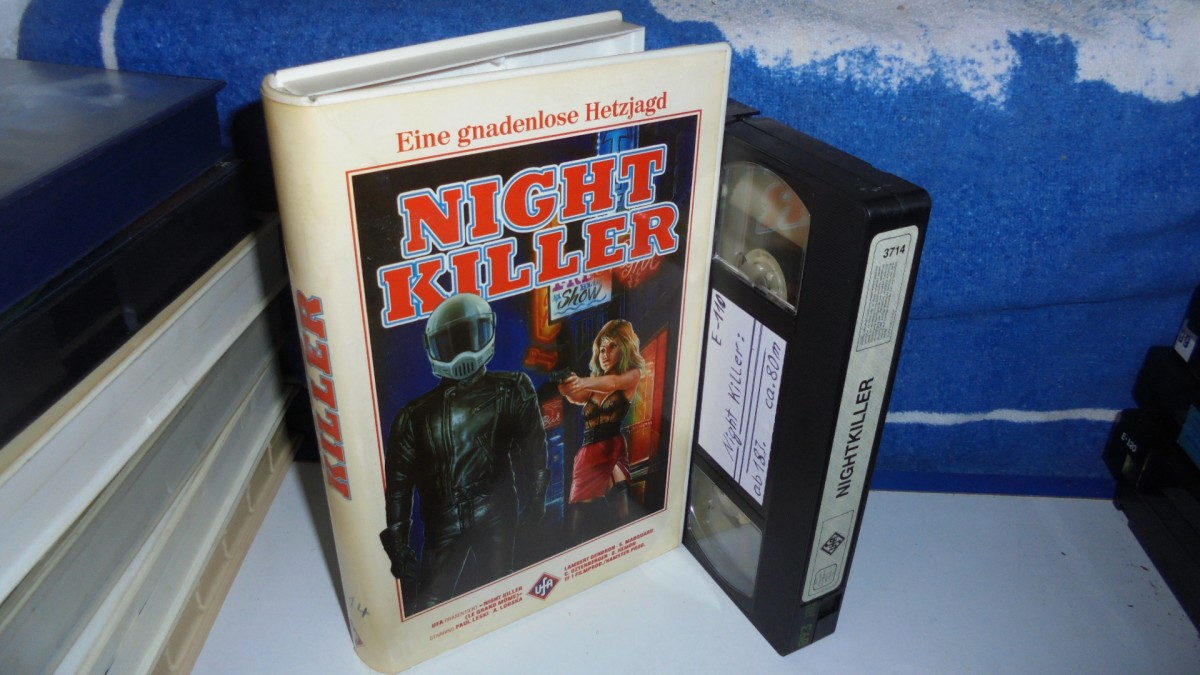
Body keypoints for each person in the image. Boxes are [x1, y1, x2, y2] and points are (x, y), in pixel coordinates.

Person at [379, 294, 549, 612]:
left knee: (494, 589)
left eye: (469, 337)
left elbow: (533, 450)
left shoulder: (511, 389)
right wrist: (397, 541)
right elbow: (399, 485)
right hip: (462, 515)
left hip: (490, 508)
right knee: (434, 601)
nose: (463, 353)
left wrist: (537, 499)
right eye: (452, 342)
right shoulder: (415, 417)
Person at [557, 319, 644, 545]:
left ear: (625, 347)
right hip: (588, 455)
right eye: (602, 349)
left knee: (623, 509)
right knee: (576, 522)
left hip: (613, 447)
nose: (605, 354)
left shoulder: (632, 375)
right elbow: (576, 397)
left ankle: (629, 547)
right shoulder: (595, 385)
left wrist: (582, 382)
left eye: (612, 346)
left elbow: (613, 383)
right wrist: (566, 386)